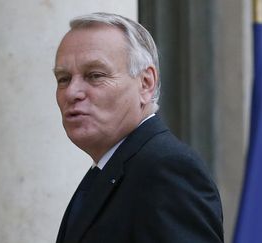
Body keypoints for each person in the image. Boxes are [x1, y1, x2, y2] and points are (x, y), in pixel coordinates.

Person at [53, 12, 223, 243]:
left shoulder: (166, 169)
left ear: (146, 84)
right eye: (63, 79)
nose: (72, 92)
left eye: (94, 75)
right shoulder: (111, 167)